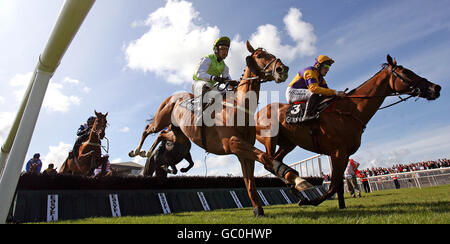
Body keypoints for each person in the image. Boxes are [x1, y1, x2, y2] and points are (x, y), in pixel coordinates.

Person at [286, 55, 346, 121]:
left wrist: (337, 94)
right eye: (326, 66)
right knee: (314, 93)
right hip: (292, 92)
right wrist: (336, 92)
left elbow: (327, 91)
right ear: (318, 65)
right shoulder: (310, 71)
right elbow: (314, 89)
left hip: (302, 93)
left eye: (329, 67)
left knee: (325, 95)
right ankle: (307, 115)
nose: (328, 69)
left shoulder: (321, 78)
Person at [192, 36, 239, 114]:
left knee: (226, 94)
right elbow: (198, 74)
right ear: (216, 50)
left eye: (227, 49)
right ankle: (198, 114)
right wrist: (214, 78)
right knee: (206, 86)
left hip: (211, 86)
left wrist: (235, 84)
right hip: (198, 84)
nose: (225, 51)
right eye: (223, 48)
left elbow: (228, 82)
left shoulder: (225, 67)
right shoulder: (208, 59)